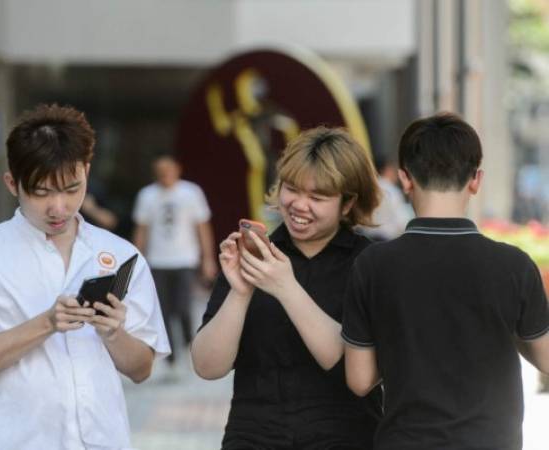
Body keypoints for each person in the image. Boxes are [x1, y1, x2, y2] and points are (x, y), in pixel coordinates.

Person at [0, 104, 170, 450]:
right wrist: (48, 323)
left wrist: (113, 332)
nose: (59, 207)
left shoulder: (120, 254)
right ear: (12, 183)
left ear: (86, 171)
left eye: (71, 189)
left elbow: (141, 368)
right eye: (41, 192)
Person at [342, 112, 549, 450]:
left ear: (405, 179)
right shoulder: (513, 266)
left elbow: (360, 380)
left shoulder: (372, 265)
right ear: (476, 180)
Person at [192, 127, 382, 449]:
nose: (299, 205)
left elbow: (358, 373)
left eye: (318, 197)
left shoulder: (370, 263)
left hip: (346, 436)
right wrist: (240, 292)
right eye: (291, 189)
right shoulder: (253, 253)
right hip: (253, 435)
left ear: (347, 204)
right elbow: (207, 366)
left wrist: (286, 287)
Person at [132, 155, 217, 369]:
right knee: (163, 309)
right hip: (157, 260)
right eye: (160, 171)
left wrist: (208, 259)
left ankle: (190, 342)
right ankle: (170, 355)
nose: (165, 175)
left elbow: (202, 227)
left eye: (168, 170)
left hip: (185, 258)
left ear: (177, 170)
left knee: (183, 306)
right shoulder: (147, 195)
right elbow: (141, 230)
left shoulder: (191, 192)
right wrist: (135, 260)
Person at [361, 155, 412, 241]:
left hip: (367, 238)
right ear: (386, 170)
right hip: (387, 239)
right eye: (392, 169)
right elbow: (401, 219)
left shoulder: (368, 188)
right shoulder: (391, 190)